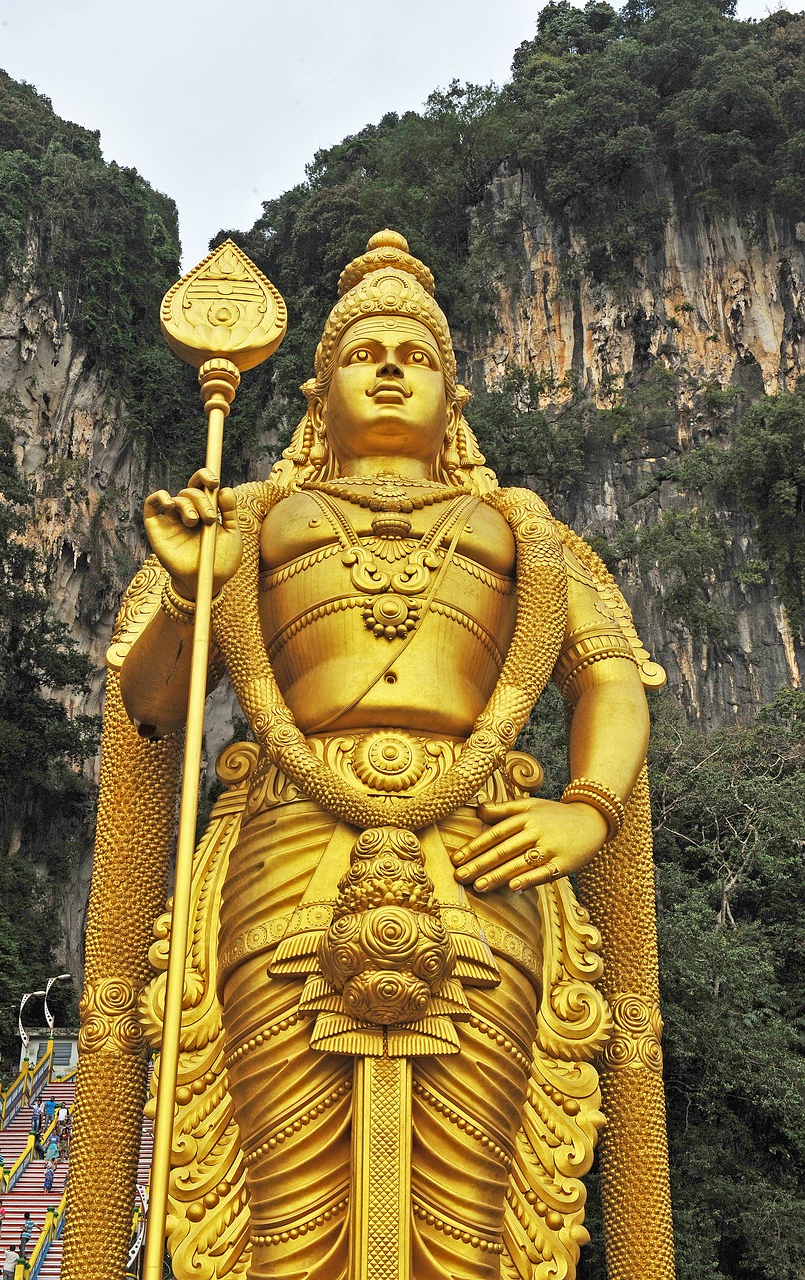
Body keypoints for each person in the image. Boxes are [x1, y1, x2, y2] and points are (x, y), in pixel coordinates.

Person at [68, 232, 674, 1280]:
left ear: (453, 393)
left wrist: (588, 808)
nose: (391, 365)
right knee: (280, 1202)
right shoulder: (250, 519)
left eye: (416, 353)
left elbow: (609, 678)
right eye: (366, 351)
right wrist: (187, 589)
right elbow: (153, 703)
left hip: (484, 854)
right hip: (285, 854)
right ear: (319, 390)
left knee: (475, 1204)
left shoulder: (523, 533)